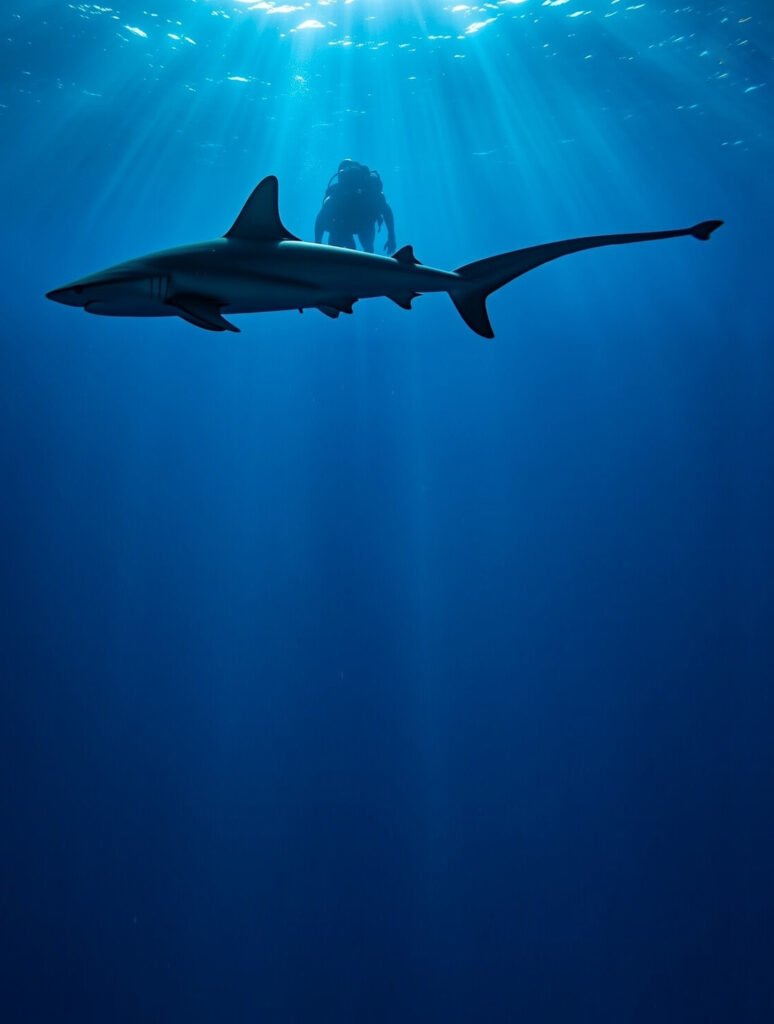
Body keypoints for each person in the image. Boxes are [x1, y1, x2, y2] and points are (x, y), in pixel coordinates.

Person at [314, 159, 396, 254]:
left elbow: (320, 218)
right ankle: (364, 252)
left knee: (365, 245)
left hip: (361, 224)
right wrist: (391, 236)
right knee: (365, 246)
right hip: (348, 225)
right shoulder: (337, 195)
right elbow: (386, 210)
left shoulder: (369, 191)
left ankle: (363, 252)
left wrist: (317, 244)